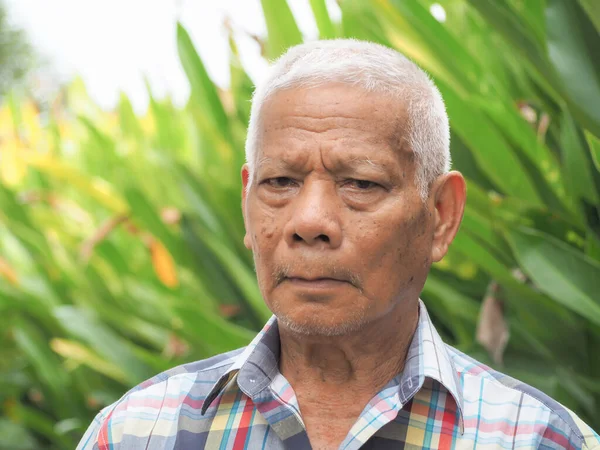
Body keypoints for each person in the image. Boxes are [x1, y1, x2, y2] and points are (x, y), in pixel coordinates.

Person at [77, 39, 600, 450]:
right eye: (279, 183)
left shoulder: (537, 440)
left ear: (440, 217)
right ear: (246, 203)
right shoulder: (138, 434)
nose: (309, 222)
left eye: (361, 184)